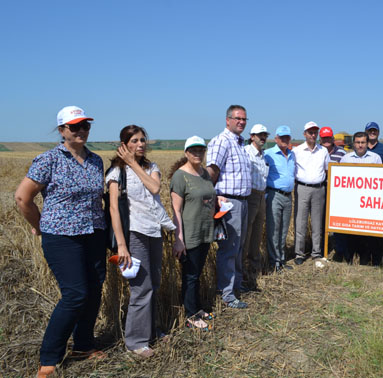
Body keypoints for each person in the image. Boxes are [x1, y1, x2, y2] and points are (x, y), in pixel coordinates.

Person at [14, 106, 106, 377]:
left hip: (93, 233)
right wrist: (39, 226)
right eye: (74, 126)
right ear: (62, 130)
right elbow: (22, 198)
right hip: (62, 237)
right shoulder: (48, 160)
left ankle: (84, 346)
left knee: (93, 290)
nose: (81, 131)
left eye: (85, 126)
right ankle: (49, 359)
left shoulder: (95, 160)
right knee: (75, 294)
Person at [106, 125, 174, 358]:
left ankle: (151, 331)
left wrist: (134, 163)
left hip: (153, 231)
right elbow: (114, 208)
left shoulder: (150, 167)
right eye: (134, 140)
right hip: (134, 233)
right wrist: (122, 244)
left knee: (154, 283)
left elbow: (154, 187)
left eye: (143, 140)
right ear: (124, 144)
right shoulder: (116, 171)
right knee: (141, 288)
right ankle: (135, 342)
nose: (141, 144)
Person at [170, 136, 225, 329]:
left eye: (201, 150)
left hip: (205, 230)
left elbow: (209, 196)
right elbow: (176, 209)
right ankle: (190, 316)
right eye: (193, 150)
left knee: (197, 273)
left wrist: (219, 200)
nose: (197, 153)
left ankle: (197, 308)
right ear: (186, 153)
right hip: (190, 232)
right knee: (190, 275)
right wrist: (179, 239)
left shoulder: (204, 174)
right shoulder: (180, 176)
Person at [206, 105, 252, 309]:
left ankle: (236, 286)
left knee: (239, 246)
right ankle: (226, 294)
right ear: (227, 120)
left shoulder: (240, 144)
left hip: (242, 201)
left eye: (244, 119)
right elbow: (212, 172)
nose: (241, 122)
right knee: (229, 249)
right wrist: (213, 197)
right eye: (237, 118)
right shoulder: (222, 141)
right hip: (229, 202)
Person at [339, 131, 383, 265]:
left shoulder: (375, 158)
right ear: (353, 144)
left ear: (367, 143)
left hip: (369, 202)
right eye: (357, 143)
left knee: (368, 232)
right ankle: (351, 257)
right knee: (351, 231)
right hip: (352, 201)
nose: (360, 145)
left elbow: (381, 180)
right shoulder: (346, 159)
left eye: (363, 142)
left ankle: (365, 258)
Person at [293, 121, 330, 265]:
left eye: (315, 132)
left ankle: (316, 252)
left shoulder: (323, 151)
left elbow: (327, 171)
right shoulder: (297, 150)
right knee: (300, 221)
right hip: (302, 188)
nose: (313, 135)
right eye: (310, 132)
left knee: (317, 222)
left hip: (319, 189)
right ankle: (299, 253)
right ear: (304, 134)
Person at [264, 126, 296, 271]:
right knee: (274, 229)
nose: (284, 140)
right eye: (281, 137)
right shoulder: (268, 154)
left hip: (288, 196)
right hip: (274, 195)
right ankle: (274, 262)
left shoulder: (292, 154)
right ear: (276, 139)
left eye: (287, 137)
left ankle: (281, 260)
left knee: (283, 230)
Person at [242, 124, 269, 290]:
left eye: (264, 135)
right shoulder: (246, 152)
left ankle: (255, 268)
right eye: (259, 135)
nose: (262, 137)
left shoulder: (263, 155)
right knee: (247, 235)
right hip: (250, 196)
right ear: (252, 136)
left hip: (261, 197)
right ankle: (243, 269)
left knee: (257, 234)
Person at [319, 126, 346, 259]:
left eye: (328, 138)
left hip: (337, 191)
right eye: (324, 138)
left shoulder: (341, 153)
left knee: (337, 220)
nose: (326, 140)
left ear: (333, 138)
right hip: (320, 189)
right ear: (320, 139)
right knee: (321, 220)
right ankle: (322, 247)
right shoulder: (317, 152)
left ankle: (339, 249)